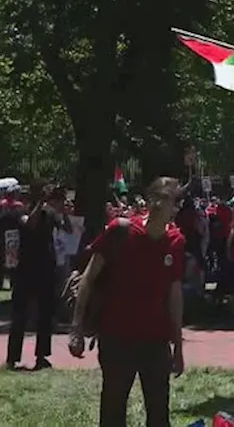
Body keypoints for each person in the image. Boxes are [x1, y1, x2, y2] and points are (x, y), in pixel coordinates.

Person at [70, 177, 185, 427]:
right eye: (157, 196)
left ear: (175, 207)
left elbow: (175, 298)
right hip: (116, 338)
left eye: (167, 199)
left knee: (158, 414)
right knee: (113, 411)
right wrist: (76, 328)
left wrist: (178, 348)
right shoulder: (120, 230)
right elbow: (88, 279)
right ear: (148, 199)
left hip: (155, 341)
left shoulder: (176, 242)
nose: (159, 204)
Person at [7, 185, 60, 370]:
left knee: (45, 315)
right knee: (20, 314)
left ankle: (41, 356)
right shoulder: (20, 213)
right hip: (25, 269)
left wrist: (61, 211)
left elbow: (66, 228)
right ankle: (13, 357)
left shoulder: (50, 213)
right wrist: (40, 204)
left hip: (45, 268)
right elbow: (29, 223)